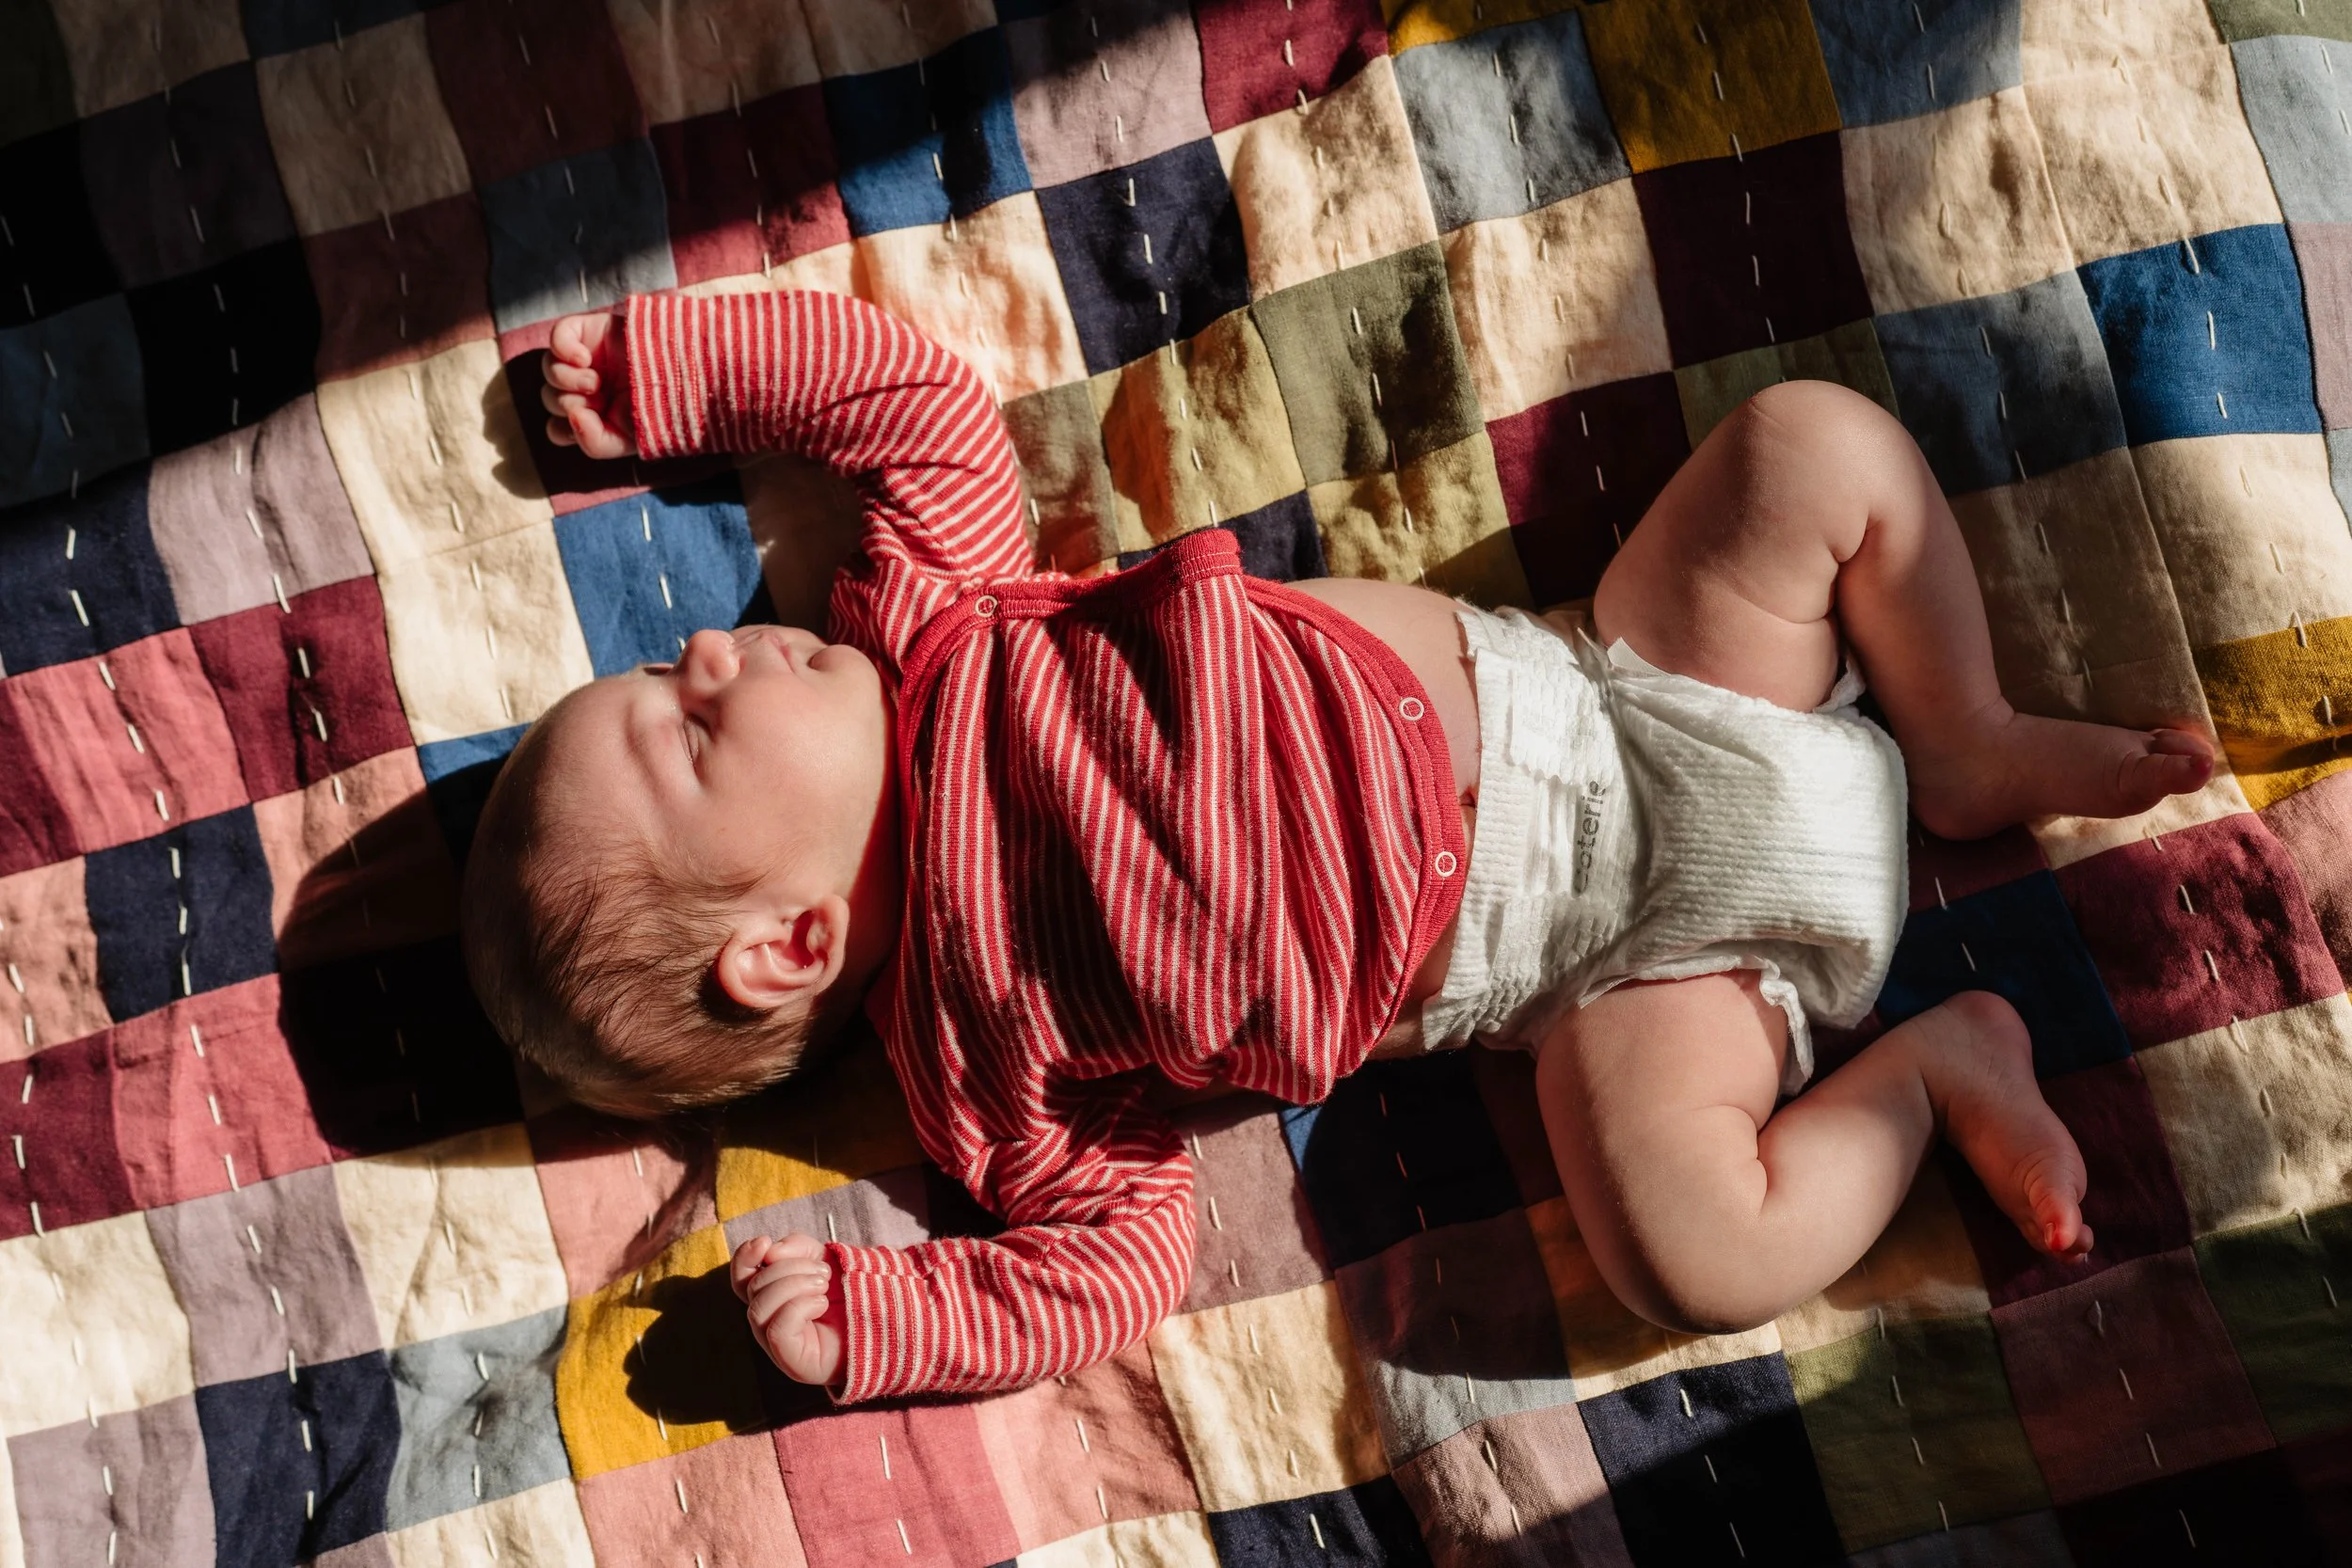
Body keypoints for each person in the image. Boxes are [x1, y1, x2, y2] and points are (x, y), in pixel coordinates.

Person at [462, 288, 2215, 1402]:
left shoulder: (927, 612)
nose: (700, 651)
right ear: (778, 944)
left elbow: (905, 399)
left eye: (657, 665)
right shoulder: (982, 1078)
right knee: (1685, 1251)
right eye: (689, 730)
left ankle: (1968, 740)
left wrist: (690, 370)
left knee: (1808, 446)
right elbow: (1118, 1267)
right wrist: (905, 1321)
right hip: (1613, 979)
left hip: (1631, 689)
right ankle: (1929, 1077)